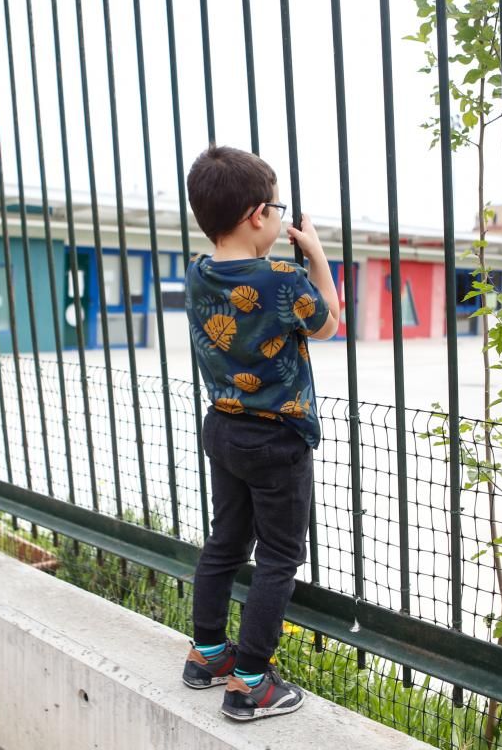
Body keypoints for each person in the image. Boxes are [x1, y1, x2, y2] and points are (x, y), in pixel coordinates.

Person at [179, 145, 340, 721]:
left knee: (226, 542)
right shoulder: (281, 277)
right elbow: (328, 322)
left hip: (222, 429)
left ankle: (206, 653)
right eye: (277, 207)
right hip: (276, 440)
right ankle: (250, 682)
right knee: (277, 556)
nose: (281, 217)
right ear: (257, 215)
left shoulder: (197, 274)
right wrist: (316, 256)